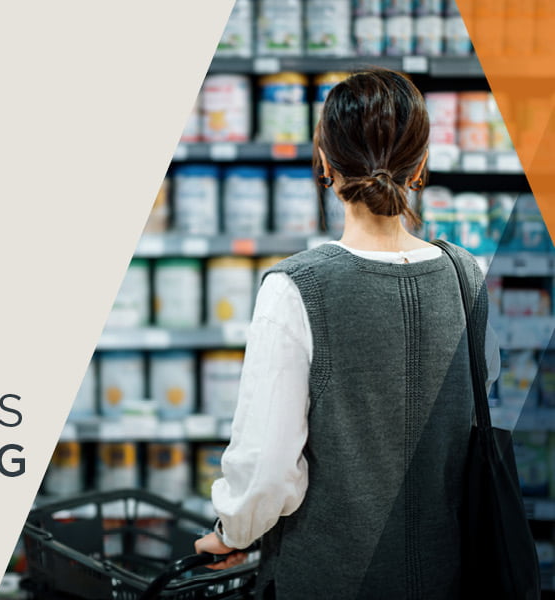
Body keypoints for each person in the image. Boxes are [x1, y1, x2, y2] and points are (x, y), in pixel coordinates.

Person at [193, 68, 500, 599]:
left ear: (325, 166)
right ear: (420, 166)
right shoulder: (465, 274)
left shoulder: (297, 289)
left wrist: (233, 533)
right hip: (448, 574)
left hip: (328, 579)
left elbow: (266, 469)